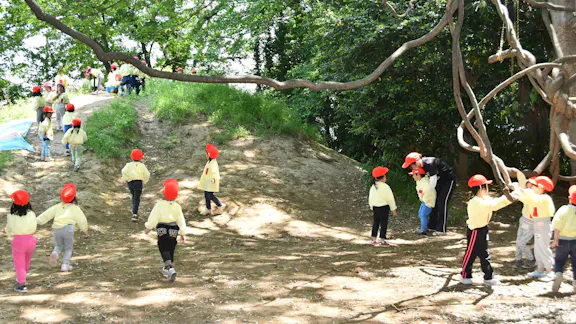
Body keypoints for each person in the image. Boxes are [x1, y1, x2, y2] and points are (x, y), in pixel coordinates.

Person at [461, 175, 512, 286]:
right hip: (475, 230)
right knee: (471, 254)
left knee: (484, 254)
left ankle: (488, 277)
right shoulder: (475, 202)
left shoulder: (485, 198)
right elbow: (494, 205)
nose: (487, 188)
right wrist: (510, 196)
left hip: (483, 229)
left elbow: (496, 202)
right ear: (480, 188)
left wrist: (512, 195)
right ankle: (465, 275)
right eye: (486, 186)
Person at [36, 184, 88, 272]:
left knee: (58, 245)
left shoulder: (57, 207)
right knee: (68, 247)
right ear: (74, 197)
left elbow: (46, 215)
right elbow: (81, 220)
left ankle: (55, 254)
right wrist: (85, 229)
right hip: (68, 228)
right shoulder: (75, 208)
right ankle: (65, 264)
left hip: (56, 229)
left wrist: (35, 221)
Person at [402, 152, 456, 236]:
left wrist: (428, 192)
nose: (411, 168)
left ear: (416, 162)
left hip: (448, 180)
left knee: (442, 203)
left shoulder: (429, 164)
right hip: (438, 181)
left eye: (411, 166)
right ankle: (432, 226)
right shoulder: (421, 167)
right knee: (434, 203)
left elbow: (433, 180)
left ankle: (441, 229)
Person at [144, 178, 187, 282]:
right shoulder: (177, 206)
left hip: (162, 227)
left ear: (164, 193)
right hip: (174, 228)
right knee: (171, 247)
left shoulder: (159, 205)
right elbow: (181, 219)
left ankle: (169, 267)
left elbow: (154, 216)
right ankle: (168, 269)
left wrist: (149, 227)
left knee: (163, 246)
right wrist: (182, 232)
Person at [516, 175, 556, 281]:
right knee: (538, 248)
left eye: (533, 185)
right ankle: (540, 269)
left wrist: (520, 190)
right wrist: (518, 191)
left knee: (543, 248)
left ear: (541, 187)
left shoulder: (544, 198)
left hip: (543, 224)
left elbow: (531, 198)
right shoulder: (537, 197)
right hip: (538, 224)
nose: (531, 188)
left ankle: (549, 271)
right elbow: (528, 199)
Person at [3, 190, 37, 293]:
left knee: (19, 264)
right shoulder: (32, 214)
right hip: (31, 240)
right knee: (26, 261)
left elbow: (9, 229)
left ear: (14, 204)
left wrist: (6, 231)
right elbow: (34, 226)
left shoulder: (11, 217)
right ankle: (22, 275)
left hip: (18, 242)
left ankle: (22, 284)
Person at [550, 185, 576, 293]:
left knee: (559, 261)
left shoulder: (563, 209)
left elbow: (557, 226)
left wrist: (555, 239)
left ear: (570, 198)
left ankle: (558, 274)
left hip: (562, 240)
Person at [368, 166, 398, 246]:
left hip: (375, 208)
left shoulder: (373, 186)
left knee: (375, 223)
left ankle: (373, 239)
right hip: (384, 208)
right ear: (384, 177)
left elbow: (370, 198)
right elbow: (390, 199)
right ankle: (382, 240)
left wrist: (371, 207)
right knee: (383, 223)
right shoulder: (385, 187)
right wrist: (393, 209)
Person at [514, 172, 536, 269]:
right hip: (523, 219)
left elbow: (523, 198)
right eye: (528, 184)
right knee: (518, 240)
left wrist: (517, 189)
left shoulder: (534, 197)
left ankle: (531, 259)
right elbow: (520, 176)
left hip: (531, 223)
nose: (529, 186)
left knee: (521, 242)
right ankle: (518, 259)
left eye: (532, 185)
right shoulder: (527, 193)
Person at [121, 149, 150, 222]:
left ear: (131, 157)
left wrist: (126, 180)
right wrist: (144, 181)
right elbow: (147, 174)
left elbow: (123, 171)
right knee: (137, 197)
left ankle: (134, 209)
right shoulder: (142, 166)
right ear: (141, 157)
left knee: (134, 196)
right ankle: (134, 214)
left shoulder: (128, 165)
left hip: (131, 182)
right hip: (138, 183)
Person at [198, 144, 225, 215]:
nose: (205, 154)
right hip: (207, 183)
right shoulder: (209, 162)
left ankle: (220, 205)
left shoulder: (213, 163)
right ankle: (208, 209)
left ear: (209, 154)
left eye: (206, 153)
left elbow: (214, 174)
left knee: (210, 195)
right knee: (206, 195)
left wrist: (212, 182)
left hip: (211, 183)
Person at [409, 167, 436, 235]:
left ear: (418, 175)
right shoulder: (420, 181)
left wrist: (427, 202)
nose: (412, 176)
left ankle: (424, 230)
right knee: (421, 213)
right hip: (425, 201)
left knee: (422, 214)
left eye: (413, 175)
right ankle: (425, 227)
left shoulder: (425, 183)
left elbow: (428, 192)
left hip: (428, 201)